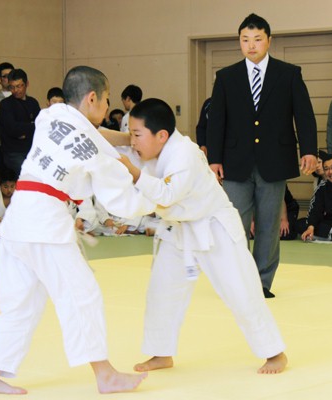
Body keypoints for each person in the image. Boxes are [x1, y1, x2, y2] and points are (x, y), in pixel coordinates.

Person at [0, 66, 155, 395]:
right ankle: (105, 374)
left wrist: (129, 139)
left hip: (18, 220)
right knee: (81, 295)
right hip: (46, 225)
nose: (106, 106)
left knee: (21, 305)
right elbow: (122, 202)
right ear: (92, 98)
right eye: (105, 100)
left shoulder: (50, 114)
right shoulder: (98, 152)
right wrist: (158, 202)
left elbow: (92, 133)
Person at [119, 98, 287, 374]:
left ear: (161, 135)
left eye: (136, 134)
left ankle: (274, 352)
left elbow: (166, 194)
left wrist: (134, 172)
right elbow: (121, 141)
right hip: (178, 229)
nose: (132, 141)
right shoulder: (151, 145)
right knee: (162, 291)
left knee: (241, 291)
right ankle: (161, 353)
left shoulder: (184, 154)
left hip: (214, 227)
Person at [206, 13, 317, 297]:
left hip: (274, 160)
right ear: (239, 42)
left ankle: (261, 282)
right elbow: (216, 120)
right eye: (245, 40)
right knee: (235, 225)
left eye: (257, 39)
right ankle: (236, 281)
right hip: (234, 161)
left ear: (269, 40)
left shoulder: (289, 73)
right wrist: (214, 159)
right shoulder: (226, 76)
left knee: (269, 224)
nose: (251, 45)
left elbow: (303, 116)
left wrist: (309, 151)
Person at [0, 68, 40, 176]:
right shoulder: (6, 104)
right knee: (26, 176)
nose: (16, 90)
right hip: (14, 152)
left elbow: (40, 126)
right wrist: (31, 126)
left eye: (19, 86)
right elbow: (12, 129)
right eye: (12, 87)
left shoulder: (33, 102)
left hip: (33, 150)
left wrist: (25, 129)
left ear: (27, 84)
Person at [0, 173, 16, 240]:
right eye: (5, 187)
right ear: (0, 186)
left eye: (12, 186)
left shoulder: (18, 196)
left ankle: (0, 234)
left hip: (11, 225)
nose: (9, 190)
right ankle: (3, 234)